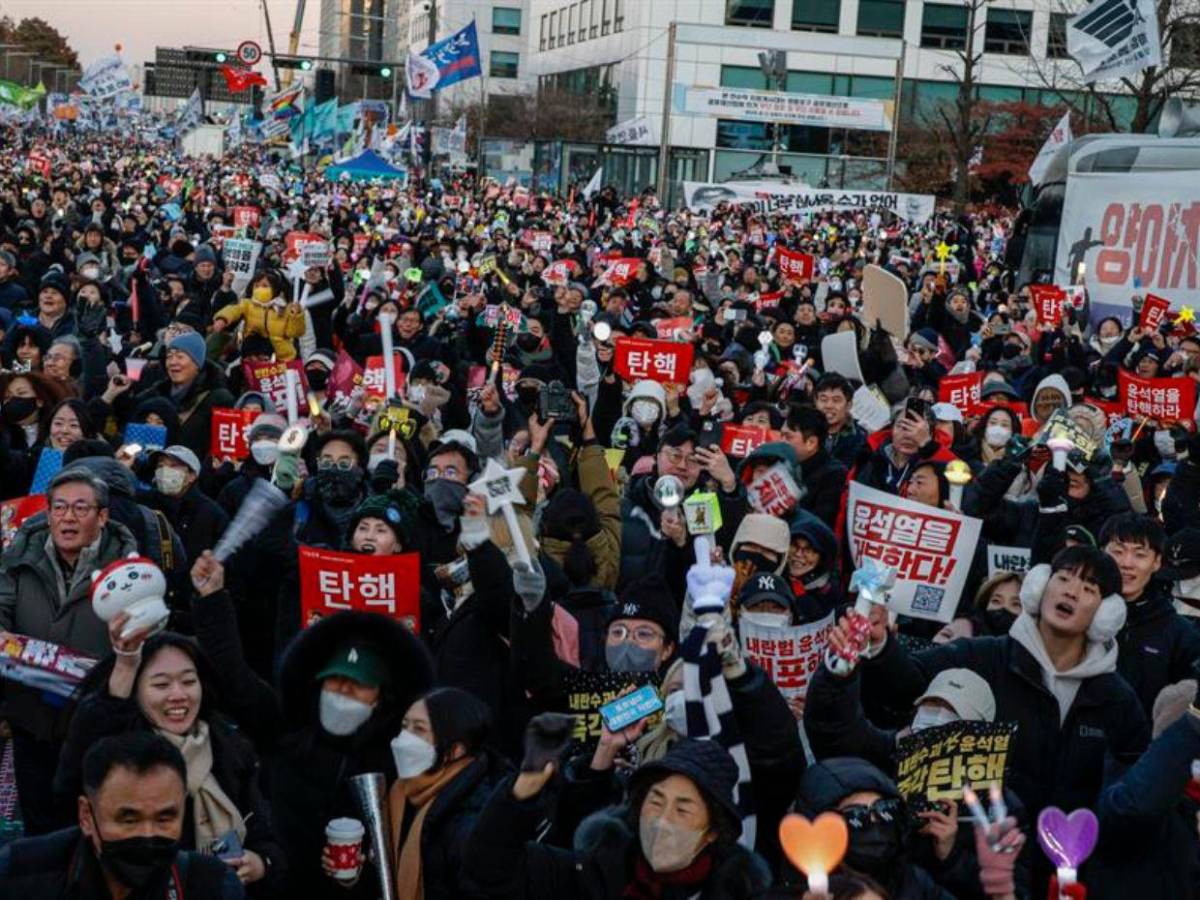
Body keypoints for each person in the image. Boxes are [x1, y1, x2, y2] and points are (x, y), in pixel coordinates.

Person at [56, 617, 286, 894]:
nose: (178, 695)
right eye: (161, 685)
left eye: (188, 681)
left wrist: (262, 862)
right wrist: (126, 666)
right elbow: (69, 782)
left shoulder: (230, 747)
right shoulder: (121, 755)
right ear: (136, 692)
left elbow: (266, 836)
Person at [0, 468, 140, 835]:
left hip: (93, 721)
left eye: (81, 508)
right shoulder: (18, 556)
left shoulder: (128, 568)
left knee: (87, 825)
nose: (68, 517)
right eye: (59, 508)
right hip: (29, 716)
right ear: (47, 514)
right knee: (38, 827)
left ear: (103, 516)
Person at [464, 738, 772, 899]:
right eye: (656, 801)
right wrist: (519, 794)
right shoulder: (591, 872)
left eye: (683, 810)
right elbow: (489, 867)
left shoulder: (738, 891)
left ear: (711, 832)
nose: (662, 820)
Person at [0, 732, 245, 899]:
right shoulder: (20, 876)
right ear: (86, 816)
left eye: (165, 818)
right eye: (129, 820)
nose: (148, 835)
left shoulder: (212, 887)